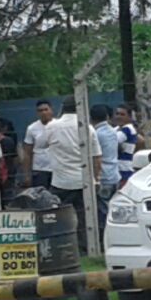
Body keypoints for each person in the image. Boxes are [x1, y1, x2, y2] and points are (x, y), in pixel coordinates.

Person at [45, 98, 101, 248]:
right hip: (84, 181)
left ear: (62, 108)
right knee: (85, 217)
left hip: (60, 181)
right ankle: (87, 246)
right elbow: (97, 158)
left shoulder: (52, 127)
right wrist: (96, 179)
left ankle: (63, 244)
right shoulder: (88, 128)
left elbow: (43, 144)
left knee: (59, 217)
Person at [91, 104, 121, 232]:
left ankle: (105, 236)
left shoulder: (95, 134)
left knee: (103, 212)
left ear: (91, 118)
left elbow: (95, 157)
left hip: (103, 177)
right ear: (107, 116)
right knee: (114, 210)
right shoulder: (113, 131)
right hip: (114, 175)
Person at [23, 100, 55, 189]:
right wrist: (27, 175)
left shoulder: (59, 126)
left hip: (57, 168)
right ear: (37, 113)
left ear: (51, 110)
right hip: (39, 169)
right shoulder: (32, 128)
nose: (44, 113)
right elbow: (27, 153)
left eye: (46, 109)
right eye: (40, 110)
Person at [112, 103, 146, 184]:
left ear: (129, 117)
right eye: (117, 114)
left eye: (122, 114)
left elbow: (111, 141)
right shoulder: (116, 129)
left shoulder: (128, 129)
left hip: (124, 171)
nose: (119, 116)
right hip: (117, 170)